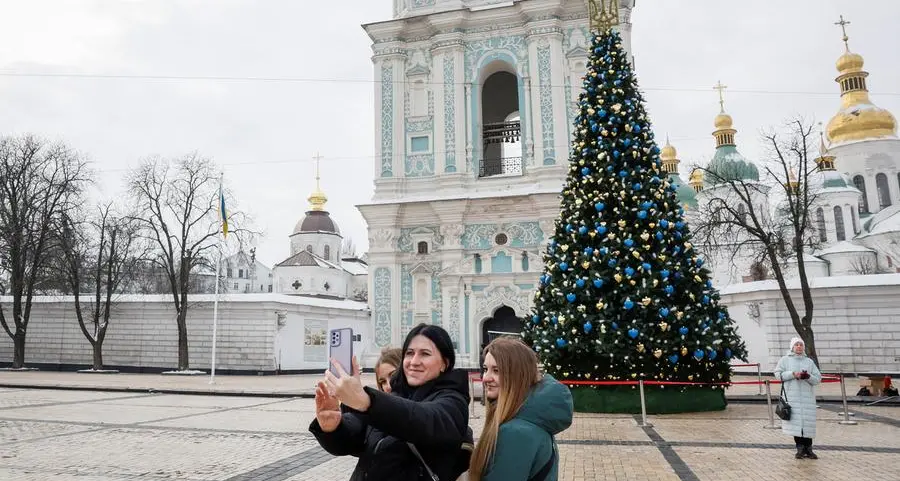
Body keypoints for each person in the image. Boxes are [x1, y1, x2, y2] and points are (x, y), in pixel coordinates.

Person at [310, 324, 471, 481]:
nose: (414, 361)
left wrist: (366, 401)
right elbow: (355, 436)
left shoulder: (453, 400)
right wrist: (333, 426)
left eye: (425, 354)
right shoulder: (394, 395)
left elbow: (425, 420)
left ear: (445, 363)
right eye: (409, 353)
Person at [468, 337, 573, 481]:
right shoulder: (532, 418)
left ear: (518, 375)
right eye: (486, 369)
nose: (486, 378)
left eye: (497, 371)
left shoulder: (515, 432)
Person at [774, 337, 822, 460]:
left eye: (801, 345)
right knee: (796, 425)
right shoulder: (785, 360)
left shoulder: (809, 362)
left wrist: (807, 376)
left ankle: (809, 449)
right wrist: (792, 374)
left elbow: (817, 379)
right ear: (792, 347)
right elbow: (778, 374)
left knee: (807, 424)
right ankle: (800, 449)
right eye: (797, 345)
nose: (799, 347)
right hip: (792, 398)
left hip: (807, 398)